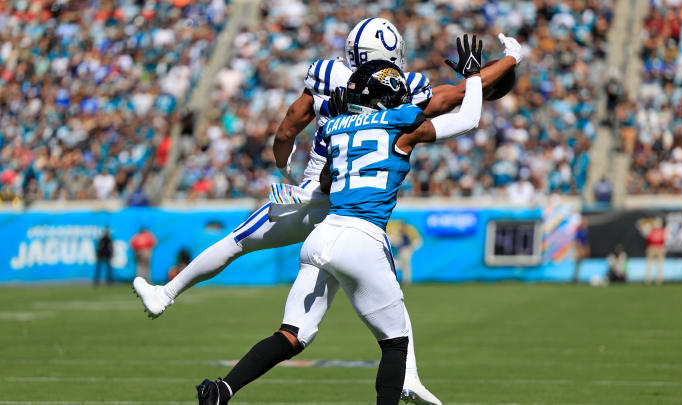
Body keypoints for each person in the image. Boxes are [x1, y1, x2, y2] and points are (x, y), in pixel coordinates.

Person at [134, 17, 524, 404]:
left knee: (251, 263)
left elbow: (293, 130)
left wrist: (284, 166)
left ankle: (185, 325)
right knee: (394, 333)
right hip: (356, 223)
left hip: (321, 209)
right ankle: (409, 379)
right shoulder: (404, 115)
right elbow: (461, 103)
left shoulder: (334, 121)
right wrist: (509, 59)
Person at [645, 218, 665, 285]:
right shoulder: (652, 231)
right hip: (653, 248)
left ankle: (658, 280)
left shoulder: (659, 231)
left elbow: (663, 240)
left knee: (659, 265)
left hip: (657, 248)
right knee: (650, 265)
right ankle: (649, 280)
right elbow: (648, 240)